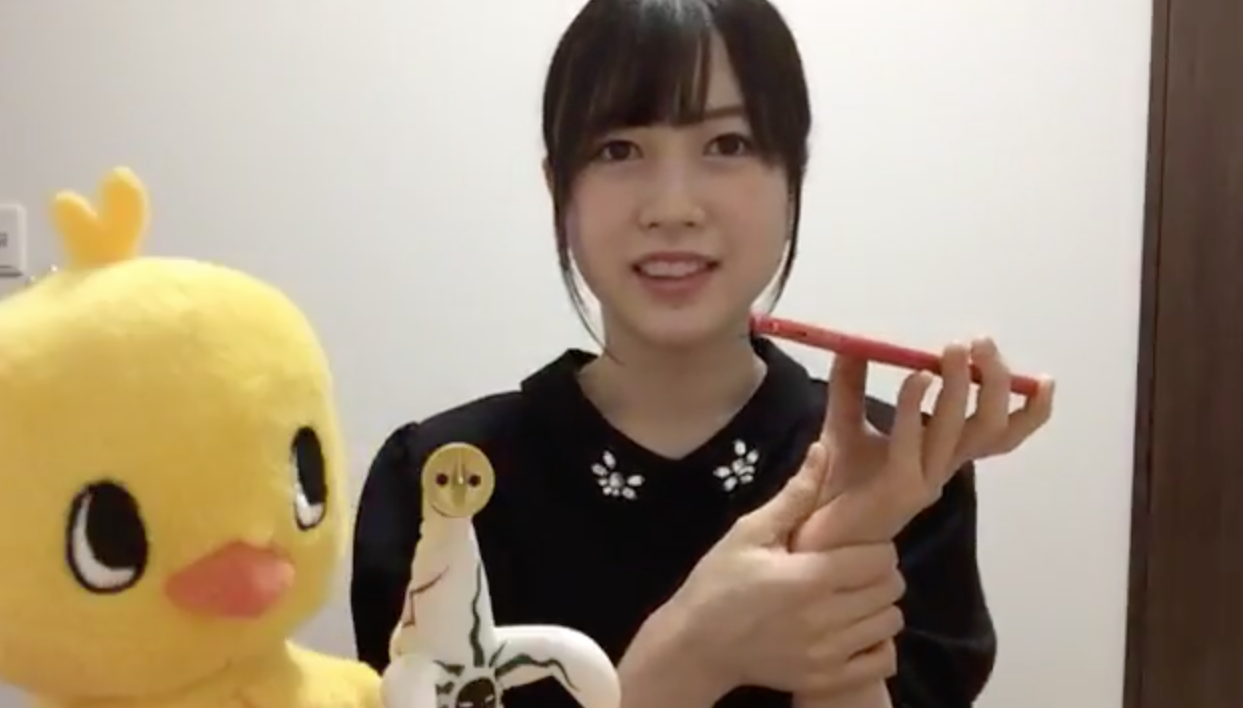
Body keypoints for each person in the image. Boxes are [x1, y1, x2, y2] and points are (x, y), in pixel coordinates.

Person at [350, 0, 1055, 706]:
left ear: (793, 178)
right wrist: (693, 651)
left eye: (727, 145)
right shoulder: (445, 485)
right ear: (557, 187)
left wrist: (847, 539)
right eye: (618, 150)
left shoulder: (901, 468)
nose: (673, 207)